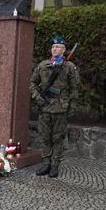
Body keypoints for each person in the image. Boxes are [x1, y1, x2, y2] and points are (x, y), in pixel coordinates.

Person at [30, 35, 79, 178]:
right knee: (45, 137)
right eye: (52, 47)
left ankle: (55, 165)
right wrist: (37, 97)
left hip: (60, 108)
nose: (54, 49)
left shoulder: (69, 67)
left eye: (57, 47)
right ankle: (46, 163)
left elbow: (74, 88)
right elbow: (33, 82)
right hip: (45, 107)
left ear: (63, 50)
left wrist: (72, 107)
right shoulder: (43, 65)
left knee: (58, 138)